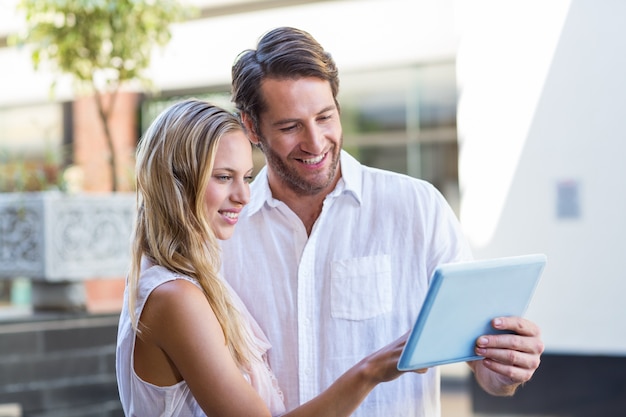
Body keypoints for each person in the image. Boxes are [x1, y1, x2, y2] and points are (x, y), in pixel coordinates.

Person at [220, 27, 545, 417]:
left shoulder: (416, 207)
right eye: (290, 127)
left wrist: (505, 370)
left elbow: (481, 361)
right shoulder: (224, 229)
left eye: (325, 117)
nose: (315, 142)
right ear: (252, 127)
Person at [115, 98, 424, 417]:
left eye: (247, 177)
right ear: (175, 182)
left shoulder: (192, 281)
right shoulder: (175, 297)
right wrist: (371, 371)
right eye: (223, 177)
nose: (243, 195)